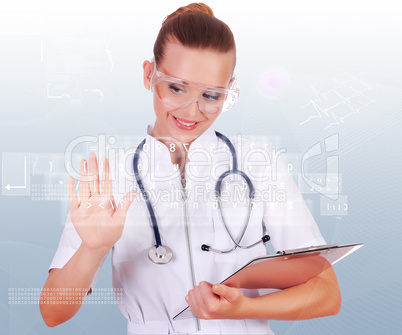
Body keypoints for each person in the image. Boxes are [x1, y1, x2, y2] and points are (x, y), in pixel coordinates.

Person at [40, 3, 341, 334]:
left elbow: (326, 294)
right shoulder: (110, 178)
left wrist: (245, 308)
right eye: (176, 88)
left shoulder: (261, 164)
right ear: (148, 75)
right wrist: (93, 248)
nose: (192, 111)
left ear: (229, 91)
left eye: (211, 95)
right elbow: (53, 313)